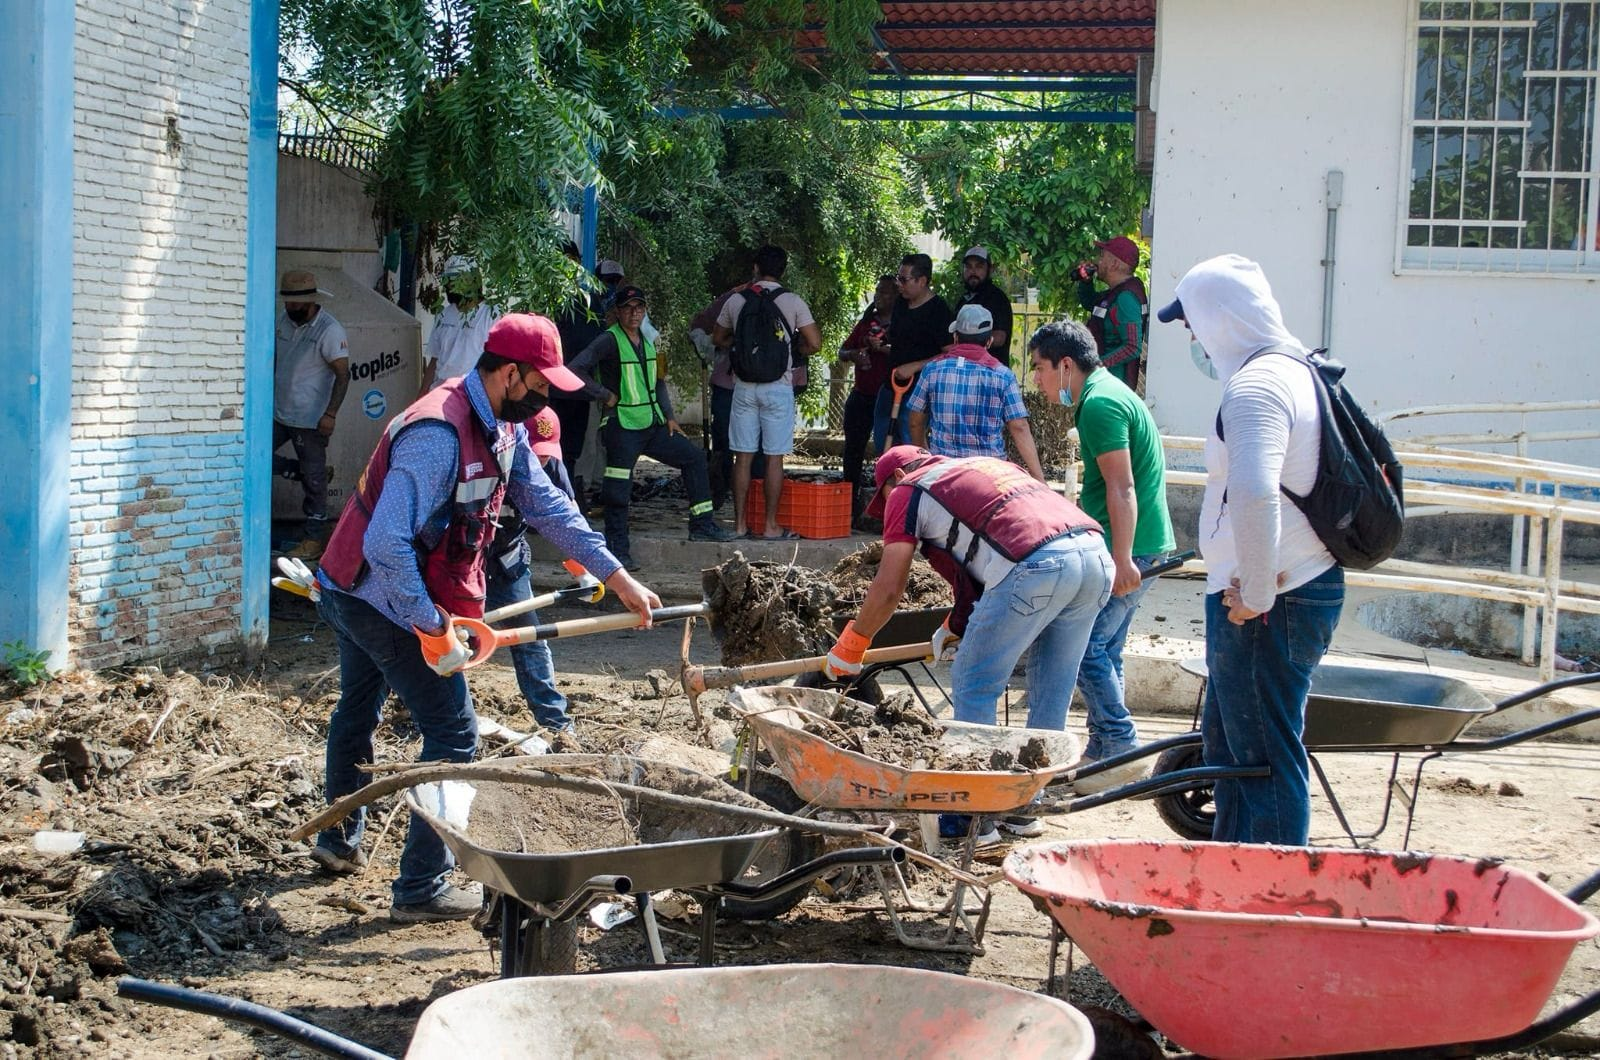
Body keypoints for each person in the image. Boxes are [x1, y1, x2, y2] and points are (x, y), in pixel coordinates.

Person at [312, 313, 661, 921]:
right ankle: (421, 888)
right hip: (371, 593)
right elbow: (387, 544)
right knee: (453, 735)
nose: (548, 397)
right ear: (507, 373)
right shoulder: (437, 433)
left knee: (359, 708)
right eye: (541, 384)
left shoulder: (503, 425)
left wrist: (614, 574)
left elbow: (546, 504)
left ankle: (337, 841)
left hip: (370, 589)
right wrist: (430, 626)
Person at [825, 446, 1112, 844]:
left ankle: (972, 818)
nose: (888, 504)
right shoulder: (983, 467)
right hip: (1094, 556)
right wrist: (955, 624)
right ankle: (1025, 808)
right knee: (1051, 685)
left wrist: (852, 645)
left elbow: (890, 588)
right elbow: (973, 571)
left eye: (884, 494)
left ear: (897, 476)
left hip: (1035, 564)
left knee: (975, 680)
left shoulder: (909, 490)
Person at [1156, 253, 1344, 846]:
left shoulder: (1258, 386)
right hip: (1273, 592)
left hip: (1271, 598)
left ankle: (1272, 896)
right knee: (1236, 751)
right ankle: (1233, 878)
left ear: (1221, 318)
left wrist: (1256, 594)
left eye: (1192, 322)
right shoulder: (1290, 371)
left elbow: (1258, 492)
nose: (1191, 335)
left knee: (1261, 756)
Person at [1029, 320, 1175, 767]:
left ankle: (1120, 742)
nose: (1036, 380)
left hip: (1128, 546)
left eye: (1039, 368)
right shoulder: (1109, 393)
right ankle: (1105, 747)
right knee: (1106, 649)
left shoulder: (1100, 405)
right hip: (1141, 542)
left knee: (1085, 647)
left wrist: (1124, 558)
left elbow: (1122, 486)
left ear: (1066, 365)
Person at [568, 284, 737, 567]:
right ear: (618, 312)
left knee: (694, 458)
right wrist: (603, 394)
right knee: (618, 491)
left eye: (639, 308)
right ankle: (618, 551)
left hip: (652, 424)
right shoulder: (608, 340)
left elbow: (658, 381)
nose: (635, 313)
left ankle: (702, 523)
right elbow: (574, 369)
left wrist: (669, 415)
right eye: (628, 308)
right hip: (622, 426)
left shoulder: (649, 340)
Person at [483, 406, 602, 738]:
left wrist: (583, 574)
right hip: (465, 564)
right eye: (536, 454)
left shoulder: (552, 468)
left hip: (509, 560)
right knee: (456, 643)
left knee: (531, 639)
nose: (542, 462)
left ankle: (557, 724)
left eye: (547, 454)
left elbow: (566, 523)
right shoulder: (484, 462)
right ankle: (433, 716)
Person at [711, 245, 823, 541]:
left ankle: (739, 525)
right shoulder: (793, 301)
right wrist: (792, 350)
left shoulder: (737, 300)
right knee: (774, 458)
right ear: (784, 269)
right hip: (778, 388)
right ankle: (771, 525)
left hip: (744, 387)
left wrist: (743, 346)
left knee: (743, 458)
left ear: (756, 268)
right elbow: (815, 342)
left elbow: (718, 337)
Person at [905, 304, 1043, 480]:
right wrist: (1039, 479)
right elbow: (1019, 427)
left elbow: (915, 422)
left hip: (943, 475)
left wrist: (926, 461)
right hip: (991, 476)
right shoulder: (1003, 376)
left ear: (955, 337)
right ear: (989, 341)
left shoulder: (932, 371)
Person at [274, 269, 351, 525]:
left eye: (295, 301)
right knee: (254, 456)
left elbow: (343, 375)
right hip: (278, 411)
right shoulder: (283, 320)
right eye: (287, 300)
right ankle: (294, 469)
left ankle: (314, 535)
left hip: (311, 418)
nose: (290, 305)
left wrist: (330, 415)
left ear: (311, 299)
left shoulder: (330, 330)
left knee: (314, 481)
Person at [550, 245, 607, 501]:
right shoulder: (550, 297)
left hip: (575, 389)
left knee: (570, 450)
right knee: (552, 447)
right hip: (553, 388)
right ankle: (563, 499)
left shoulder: (589, 298)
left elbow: (598, 342)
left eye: (570, 262)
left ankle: (568, 498)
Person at [837, 276, 896, 523]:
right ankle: (848, 506)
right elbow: (842, 351)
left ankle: (888, 508)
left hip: (891, 397)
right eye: (877, 292)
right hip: (862, 395)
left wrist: (883, 348)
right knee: (853, 450)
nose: (878, 297)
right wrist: (855, 354)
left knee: (889, 453)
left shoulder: (902, 324)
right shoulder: (866, 323)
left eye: (884, 293)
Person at [883, 253, 955, 446]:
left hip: (919, 390)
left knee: (911, 442)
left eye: (904, 279)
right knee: (884, 439)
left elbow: (950, 353)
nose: (899, 284)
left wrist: (915, 366)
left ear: (922, 281)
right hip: (891, 384)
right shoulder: (900, 303)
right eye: (898, 278)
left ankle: (915, 476)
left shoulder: (939, 311)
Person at [1074, 236, 1149, 390]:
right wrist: (1086, 283)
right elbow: (1093, 305)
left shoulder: (1126, 298)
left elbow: (1132, 347)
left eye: (1102, 257)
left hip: (1114, 387)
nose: (1097, 261)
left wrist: (1097, 366)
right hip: (1104, 383)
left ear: (1114, 263)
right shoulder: (1116, 292)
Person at [421, 259, 497, 392]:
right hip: (440, 393)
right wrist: (421, 398)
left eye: (457, 279)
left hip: (473, 395)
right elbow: (435, 360)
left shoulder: (492, 314)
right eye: (448, 280)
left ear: (475, 280)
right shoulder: (443, 315)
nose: (450, 285)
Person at [955, 246, 1014, 364]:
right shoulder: (963, 300)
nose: (973, 271)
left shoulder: (998, 299)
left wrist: (968, 339)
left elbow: (1000, 337)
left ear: (990, 269)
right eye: (968, 266)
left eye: (979, 266)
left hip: (991, 372)